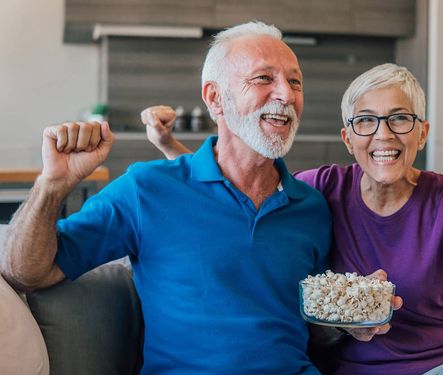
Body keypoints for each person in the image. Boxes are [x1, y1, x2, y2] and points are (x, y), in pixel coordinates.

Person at [144, 63, 443, 374]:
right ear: (349, 138)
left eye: (399, 119)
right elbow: (235, 196)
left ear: (421, 133)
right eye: (366, 121)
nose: (382, 134)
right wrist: (170, 148)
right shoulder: (320, 188)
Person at [1, 22, 338, 374]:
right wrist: (51, 185)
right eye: (264, 78)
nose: (286, 94)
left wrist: (355, 316)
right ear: (214, 98)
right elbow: (26, 272)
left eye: (295, 81)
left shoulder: (311, 207)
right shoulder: (146, 190)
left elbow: (317, 328)